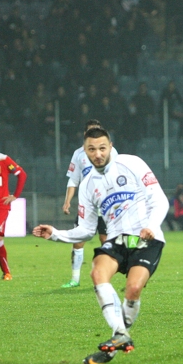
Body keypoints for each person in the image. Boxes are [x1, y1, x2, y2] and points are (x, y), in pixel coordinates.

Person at [33, 127, 169, 364]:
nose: (98, 154)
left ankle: (113, 346)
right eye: (91, 149)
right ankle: (120, 333)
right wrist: (55, 234)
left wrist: (151, 225)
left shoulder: (132, 163)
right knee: (97, 272)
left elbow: (159, 199)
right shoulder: (86, 185)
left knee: (133, 289)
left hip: (145, 237)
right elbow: (86, 229)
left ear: (111, 146)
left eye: (102, 148)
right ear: (84, 152)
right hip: (117, 240)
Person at [60, 119, 119, 288]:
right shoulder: (78, 154)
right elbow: (73, 179)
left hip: (105, 203)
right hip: (87, 204)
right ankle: (75, 279)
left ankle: (105, 278)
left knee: (105, 240)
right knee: (78, 240)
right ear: (85, 135)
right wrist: (67, 202)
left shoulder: (111, 151)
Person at [0, 132, 27, 281]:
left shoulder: (3, 159)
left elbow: (22, 174)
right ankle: (6, 272)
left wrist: (15, 195)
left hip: (1, 207)